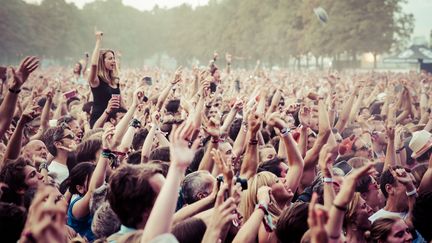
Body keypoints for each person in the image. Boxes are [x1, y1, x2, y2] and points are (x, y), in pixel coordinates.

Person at [88, 30, 121, 128]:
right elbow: (94, 65)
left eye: (114, 58)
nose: (114, 61)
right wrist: (98, 41)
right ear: (102, 61)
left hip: (113, 121)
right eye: (110, 58)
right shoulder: (96, 81)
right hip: (99, 122)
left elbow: (122, 105)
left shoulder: (115, 81)